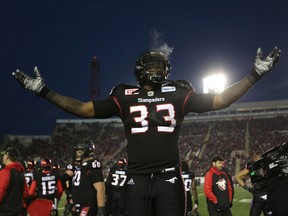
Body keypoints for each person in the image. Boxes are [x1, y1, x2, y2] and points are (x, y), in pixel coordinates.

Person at [12, 47, 281, 216]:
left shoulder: (177, 92)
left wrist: (253, 76)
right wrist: (43, 91)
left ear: (166, 70)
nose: (155, 70)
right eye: (150, 65)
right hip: (137, 177)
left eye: (159, 65)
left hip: (168, 177)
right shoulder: (125, 95)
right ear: (140, 71)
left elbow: (221, 100)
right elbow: (82, 108)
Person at [62, 143, 105, 216]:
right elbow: (79, 189)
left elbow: (101, 189)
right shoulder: (80, 167)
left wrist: (101, 209)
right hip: (77, 205)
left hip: (87, 205)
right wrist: (71, 204)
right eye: (76, 152)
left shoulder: (92, 165)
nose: (77, 154)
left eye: (80, 152)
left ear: (88, 152)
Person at [0, 147, 29, 216]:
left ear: (7, 157)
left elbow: (0, 191)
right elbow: (26, 193)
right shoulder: (21, 173)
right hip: (18, 211)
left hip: (5, 211)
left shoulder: (5, 172)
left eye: (4, 155)